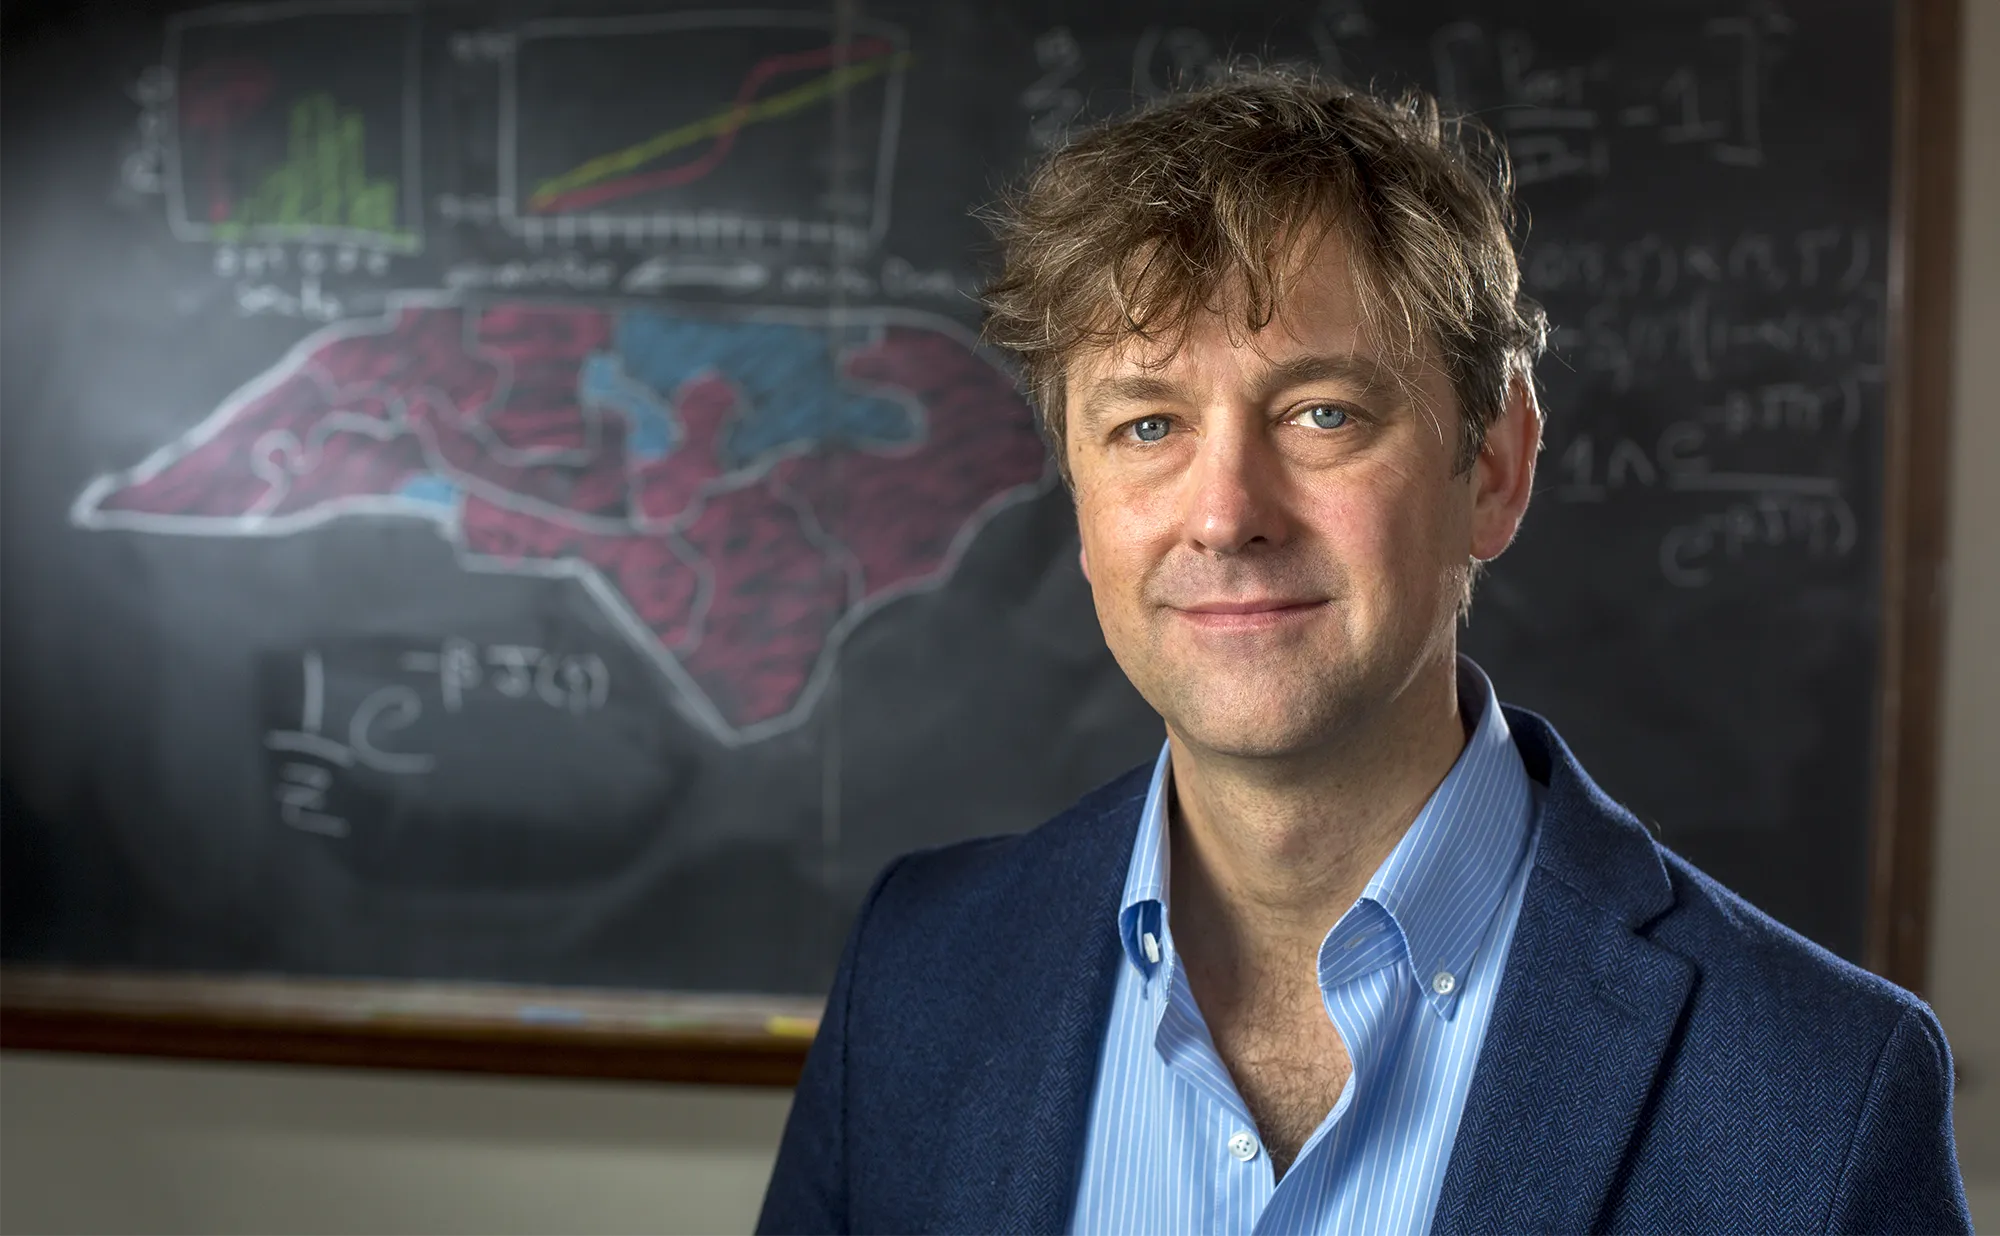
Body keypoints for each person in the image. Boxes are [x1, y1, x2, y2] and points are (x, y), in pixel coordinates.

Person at [756, 69, 1972, 1235]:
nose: (1225, 512)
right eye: (1146, 424)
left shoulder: (1819, 1094)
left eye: (1321, 413)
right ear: (1078, 494)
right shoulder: (918, 977)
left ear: (1492, 468)